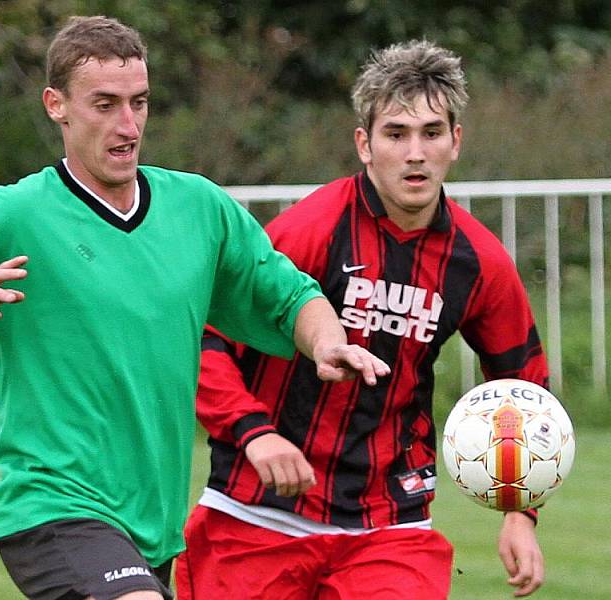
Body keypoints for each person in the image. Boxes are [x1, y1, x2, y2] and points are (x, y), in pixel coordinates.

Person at [0, 15, 389, 600]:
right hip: (53, 505)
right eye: (105, 104)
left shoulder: (198, 208)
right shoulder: (13, 215)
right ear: (57, 106)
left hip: (152, 521)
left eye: (139, 102)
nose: (128, 124)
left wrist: (328, 343)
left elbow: (291, 294)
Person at [176, 39, 549, 600]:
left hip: (390, 522)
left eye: (431, 133)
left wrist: (520, 510)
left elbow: (524, 388)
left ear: (456, 142)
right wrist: (254, 433)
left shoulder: (480, 263)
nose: (415, 152)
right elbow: (207, 339)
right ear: (365, 144)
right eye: (396, 134)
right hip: (256, 513)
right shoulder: (308, 231)